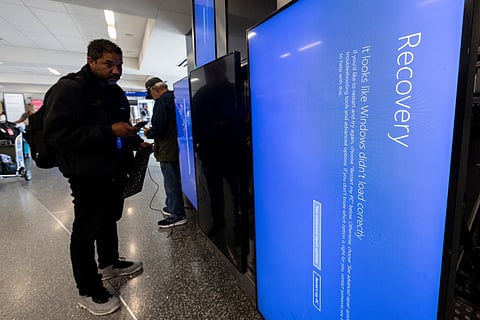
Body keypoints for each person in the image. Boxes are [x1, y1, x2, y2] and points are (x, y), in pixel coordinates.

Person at [43, 39, 151, 316]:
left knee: (108, 219)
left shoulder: (113, 92)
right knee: (85, 231)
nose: (116, 71)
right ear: (91, 60)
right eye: (109, 64)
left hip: (112, 171)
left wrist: (134, 141)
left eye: (119, 65)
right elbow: (57, 135)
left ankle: (109, 263)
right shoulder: (70, 89)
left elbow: (120, 128)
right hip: (86, 174)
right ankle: (89, 290)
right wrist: (108, 132)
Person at [144, 77, 187, 228]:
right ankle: (171, 206)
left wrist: (149, 132)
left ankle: (176, 214)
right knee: (175, 178)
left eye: (152, 94)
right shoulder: (177, 97)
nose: (153, 97)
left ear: (154, 89)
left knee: (171, 180)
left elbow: (159, 129)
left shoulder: (161, 102)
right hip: (179, 145)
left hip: (168, 148)